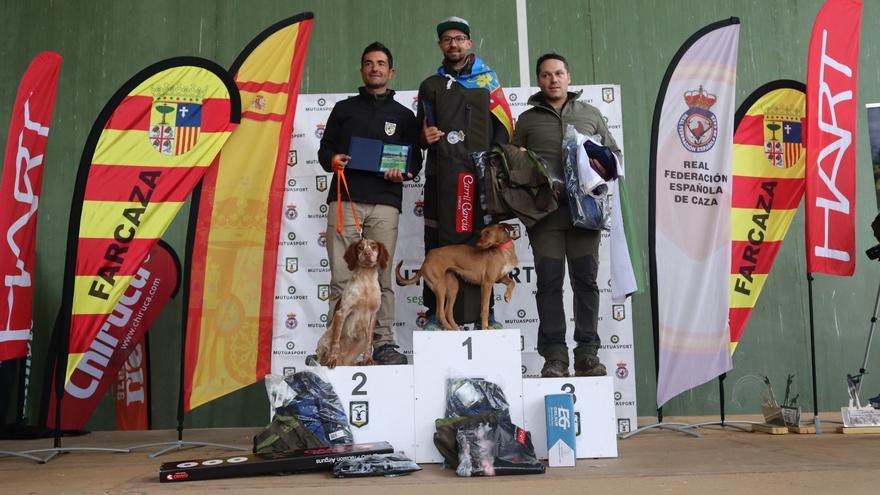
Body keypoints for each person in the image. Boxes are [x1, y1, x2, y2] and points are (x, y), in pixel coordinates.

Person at [513, 53, 620, 377]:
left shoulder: (590, 114)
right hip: (545, 217)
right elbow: (512, 167)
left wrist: (601, 162)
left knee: (586, 283)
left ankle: (587, 355)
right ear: (539, 80)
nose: (553, 79)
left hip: (586, 215)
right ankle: (555, 358)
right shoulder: (527, 120)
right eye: (546, 75)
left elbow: (614, 155)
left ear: (568, 76)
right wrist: (519, 160)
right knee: (548, 284)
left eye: (558, 73)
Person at [317, 42, 420, 365]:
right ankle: (336, 344)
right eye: (369, 63)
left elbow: (414, 159)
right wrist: (333, 158)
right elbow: (325, 150)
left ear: (391, 72)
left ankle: (383, 343)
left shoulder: (404, 116)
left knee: (381, 278)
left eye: (381, 63)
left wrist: (401, 171)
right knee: (342, 275)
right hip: (345, 198)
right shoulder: (344, 109)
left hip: (385, 202)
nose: (375, 68)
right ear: (362, 69)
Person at [416, 16, 514, 330]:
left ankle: (490, 314)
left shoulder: (488, 81)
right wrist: (424, 137)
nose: (454, 44)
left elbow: (503, 127)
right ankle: (435, 313)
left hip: (480, 176)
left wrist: (494, 161)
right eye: (447, 39)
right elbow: (422, 129)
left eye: (459, 38)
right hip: (441, 175)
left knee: (484, 243)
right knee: (438, 244)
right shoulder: (430, 84)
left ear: (469, 43)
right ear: (440, 45)